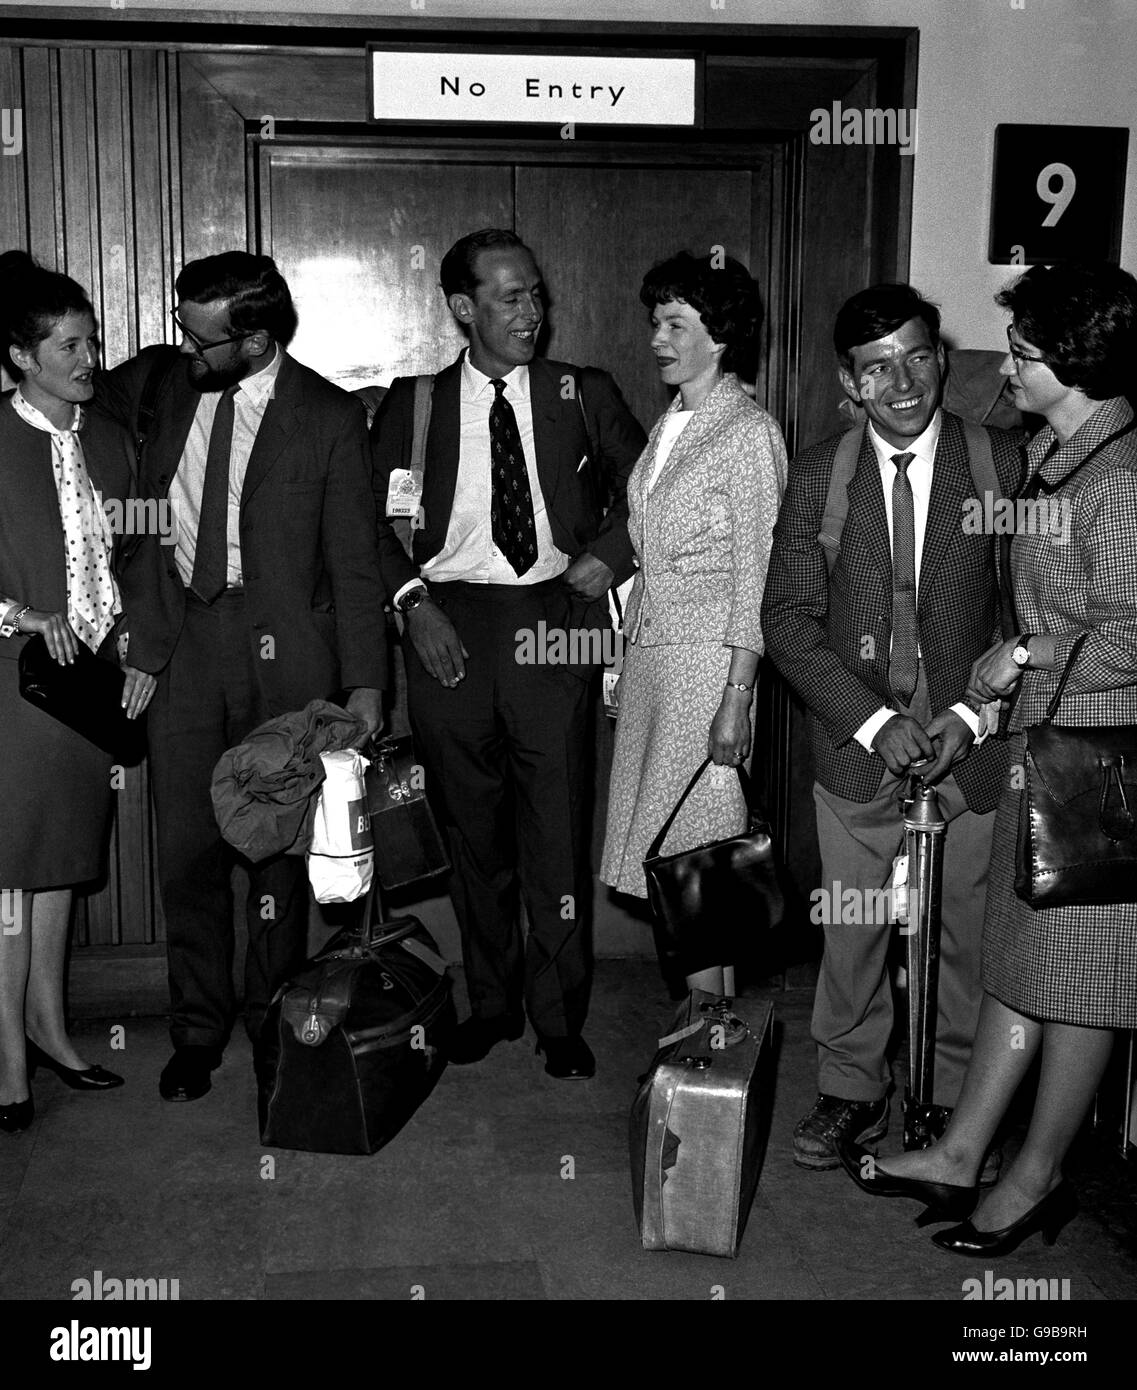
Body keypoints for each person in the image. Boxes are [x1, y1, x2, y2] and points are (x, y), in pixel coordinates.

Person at [838, 262, 1137, 1257]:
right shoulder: (1061, 451)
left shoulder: (1123, 471)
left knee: (1079, 980)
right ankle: (965, 1149)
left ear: (1075, 362)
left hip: (1097, 756)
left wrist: (1027, 653)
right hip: (1042, 742)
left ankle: (1036, 1177)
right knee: (1017, 958)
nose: (1000, 368)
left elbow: (1135, 631)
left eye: (1022, 353)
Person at [99, 252, 387, 1103]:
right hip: (182, 649)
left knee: (274, 857)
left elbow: (354, 557)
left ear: (254, 338)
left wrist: (366, 683)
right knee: (186, 851)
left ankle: (272, 1024)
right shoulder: (167, 387)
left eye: (200, 332)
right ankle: (196, 1032)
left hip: (286, 662)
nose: (181, 342)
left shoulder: (329, 417)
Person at [370, 228, 645, 1079]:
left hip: (553, 614)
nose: (533, 312)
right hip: (448, 624)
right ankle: (489, 1004)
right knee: (473, 831)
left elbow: (653, 491)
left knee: (555, 829)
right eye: (511, 298)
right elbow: (369, 527)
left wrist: (614, 547)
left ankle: (558, 1016)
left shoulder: (580, 392)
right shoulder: (413, 404)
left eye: (536, 294)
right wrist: (414, 604)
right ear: (462, 307)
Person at [761, 283, 1023, 1170]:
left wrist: (966, 712)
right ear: (850, 381)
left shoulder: (1000, 463)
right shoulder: (818, 473)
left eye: (917, 356)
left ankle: (948, 1107)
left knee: (965, 937)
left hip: (973, 746)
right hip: (857, 750)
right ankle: (847, 1092)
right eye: (878, 367)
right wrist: (872, 721)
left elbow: (1031, 614)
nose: (902, 380)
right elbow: (787, 621)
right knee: (854, 928)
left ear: (941, 358)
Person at [600, 251, 787, 998]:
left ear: (722, 336)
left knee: (702, 865)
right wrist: (623, 660)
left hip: (709, 670)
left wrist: (736, 695)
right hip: (655, 664)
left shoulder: (745, 431)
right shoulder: (672, 422)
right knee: (672, 866)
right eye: (655, 322)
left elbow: (759, 572)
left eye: (676, 324)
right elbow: (647, 561)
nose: (657, 338)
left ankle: (713, 1039)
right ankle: (697, 1037)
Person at [0, 250, 155, 1133]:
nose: (86, 359)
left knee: (59, 873)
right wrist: (20, 613)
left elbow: (131, 559)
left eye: (89, 341)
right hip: (15, 688)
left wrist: (134, 648)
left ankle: (55, 1035)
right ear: (21, 357)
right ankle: (8, 1068)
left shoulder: (108, 440)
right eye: (66, 346)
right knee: (11, 883)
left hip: (88, 693)